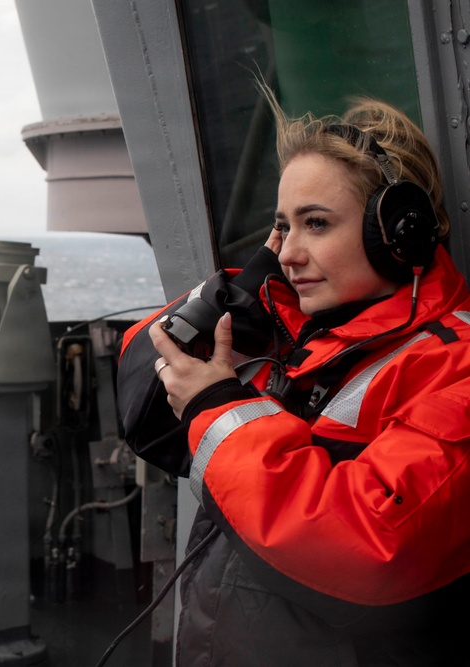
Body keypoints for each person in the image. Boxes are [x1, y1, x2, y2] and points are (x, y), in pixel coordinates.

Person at [116, 90, 470, 665]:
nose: (288, 253)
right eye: (283, 227)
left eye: (317, 224)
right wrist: (238, 301)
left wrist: (216, 403)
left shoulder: (455, 368)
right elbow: (147, 416)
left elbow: (365, 547)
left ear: (398, 233)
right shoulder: (299, 336)